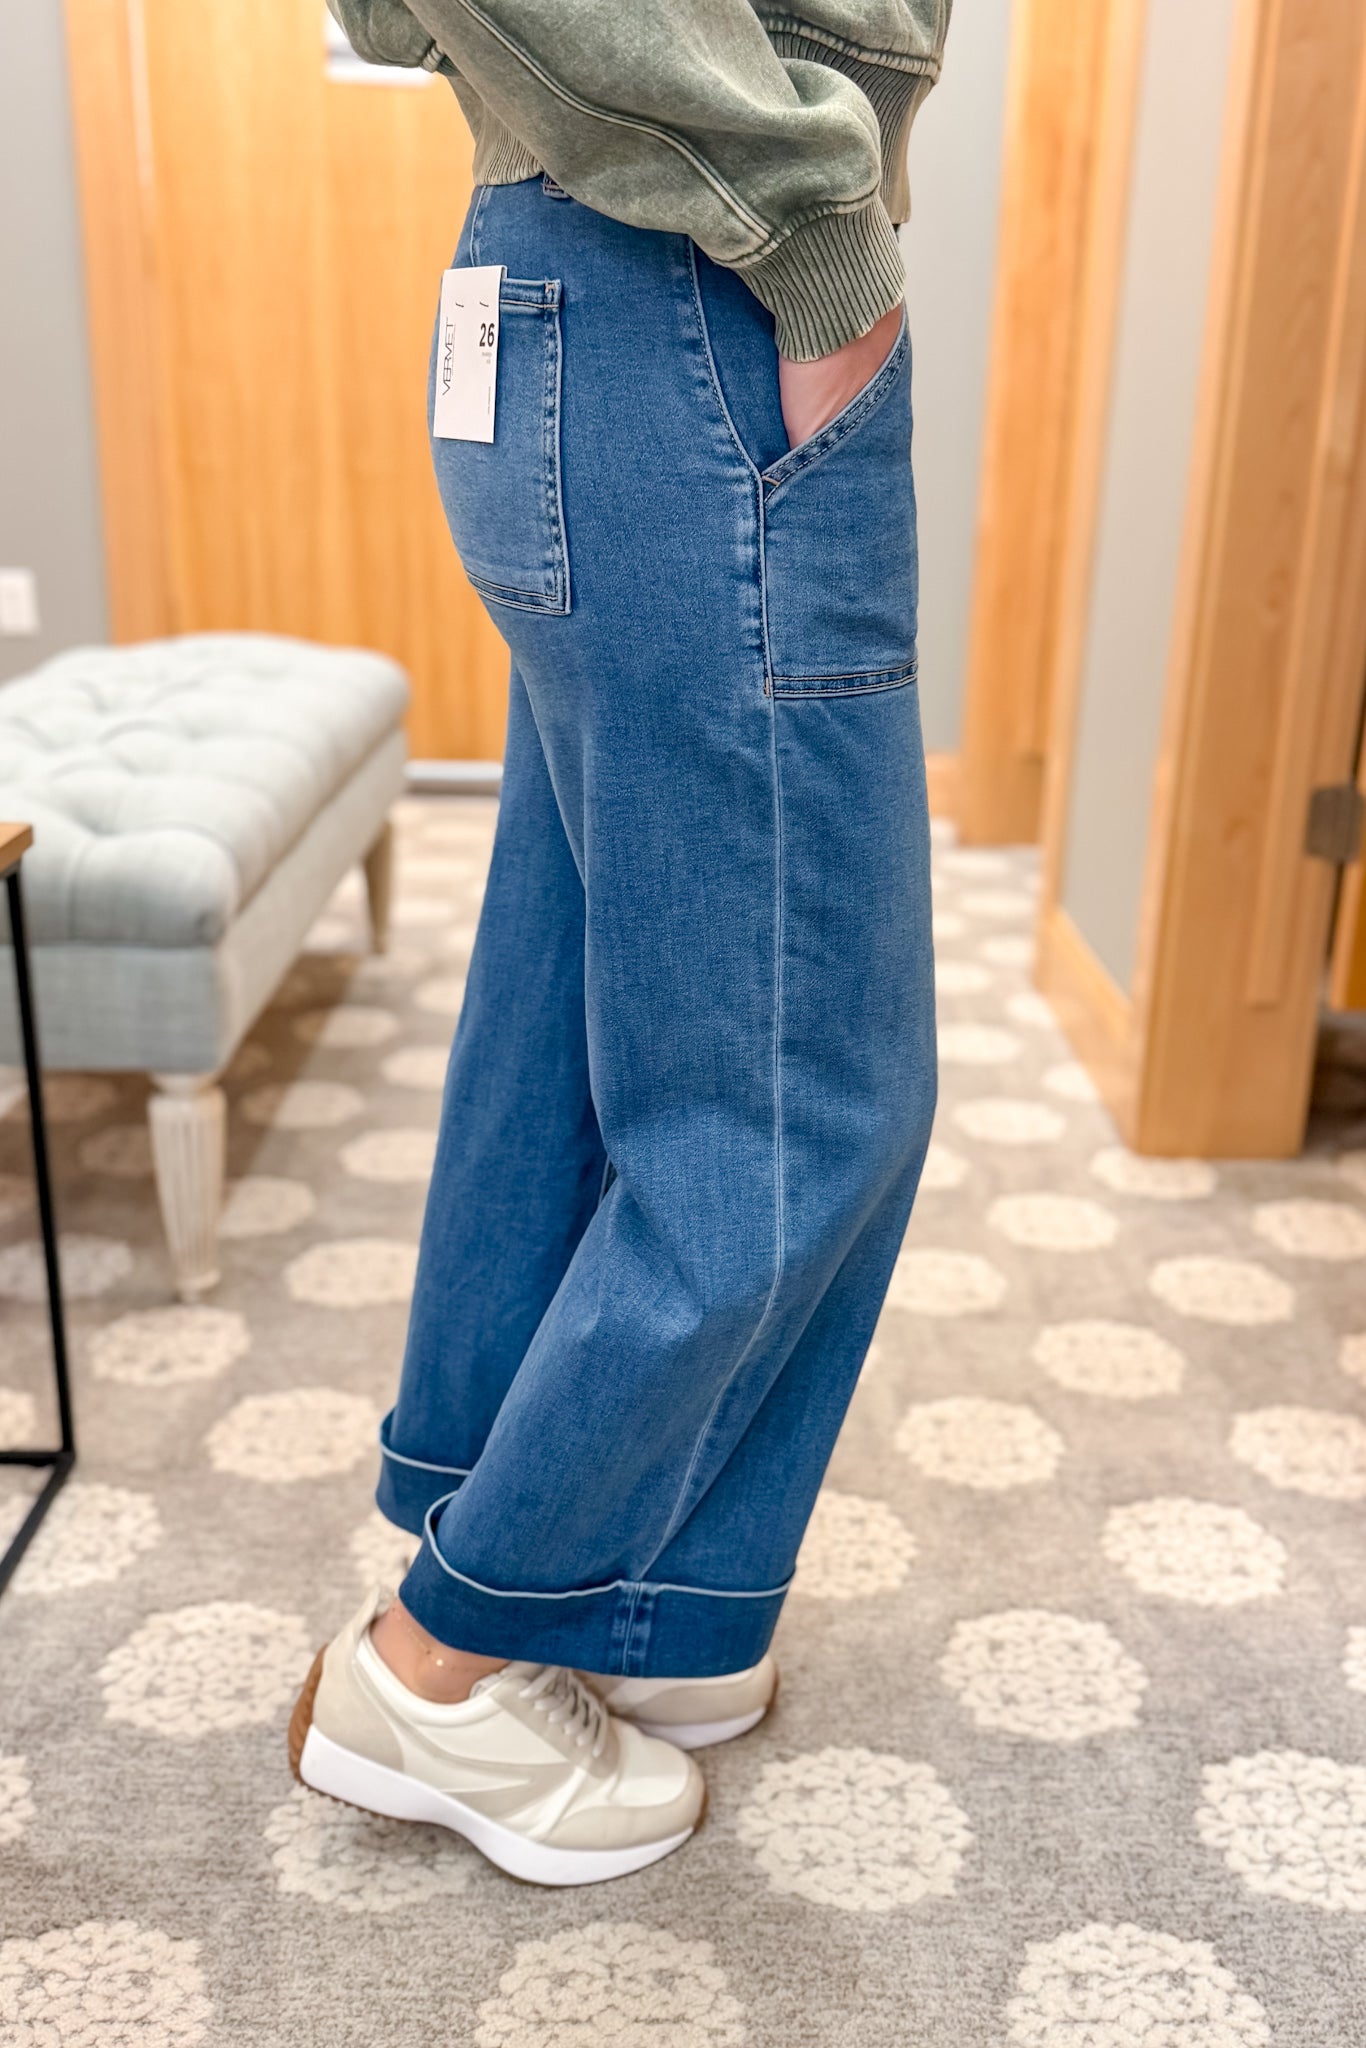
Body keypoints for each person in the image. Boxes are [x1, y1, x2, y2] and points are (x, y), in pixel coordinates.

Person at [292, 0, 949, 1888]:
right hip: (693, 292)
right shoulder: (753, 240)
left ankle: (629, 1588)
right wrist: (816, 249)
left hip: (594, 279)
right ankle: (440, 1663)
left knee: (586, 994)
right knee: (799, 1091)